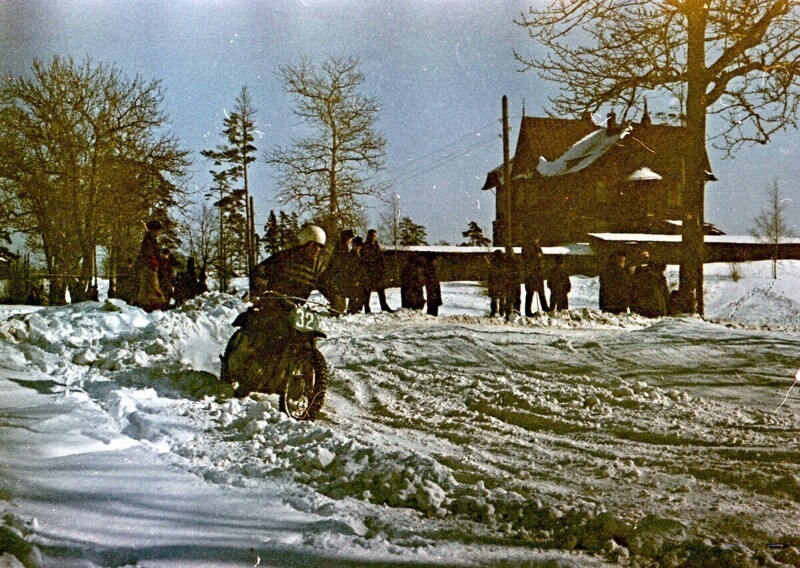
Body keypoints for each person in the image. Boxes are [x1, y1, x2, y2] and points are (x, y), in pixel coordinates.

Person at [246, 225, 328, 352]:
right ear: (305, 243)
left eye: (320, 247)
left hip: (296, 310)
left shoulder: (317, 267)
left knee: (309, 336)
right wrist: (261, 288)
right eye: (314, 245)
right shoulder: (285, 257)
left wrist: (338, 300)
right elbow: (259, 270)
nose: (317, 250)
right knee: (263, 335)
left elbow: (328, 284)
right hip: (274, 303)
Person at [320, 229, 354, 315]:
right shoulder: (342, 247)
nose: (350, 240)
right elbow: (338, 263)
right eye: (350, 238)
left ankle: (337, 309)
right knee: (337, 294)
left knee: (339, 296)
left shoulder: (342, 246)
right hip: (335, 275)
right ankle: (336, 310)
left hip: (337, 275)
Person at [361, 229, 395, 313]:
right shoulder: (365, 246)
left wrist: (382, 268)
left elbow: (380, 258)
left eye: (374, 236)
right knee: (367, 292)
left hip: (377, 271)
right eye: (372, 236)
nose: (373, 237)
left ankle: (384, 307)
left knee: (381, 290)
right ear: (368, 236)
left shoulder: (376, 245)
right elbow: (365, 259)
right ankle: (367, 309)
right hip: (369, 271)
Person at [136, 220, 166, 312]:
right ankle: (153, 307)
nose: (158, 234)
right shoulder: (149, 241)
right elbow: (149, 253)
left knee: (150, 289)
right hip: (149, 267)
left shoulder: (151, 240)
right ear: (153, 230)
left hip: (151, 266)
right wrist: (154, 262)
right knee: (152, 288)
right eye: (158, 232)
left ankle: (152, 306)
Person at [630, 251, 669, 318]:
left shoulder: (640, 275)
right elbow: (665, 292)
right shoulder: (660, 277)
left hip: (642, 304)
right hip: (656, 305)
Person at [522, 236, 549, 314]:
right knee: (530, 292)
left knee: (541, 291)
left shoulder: (538, 248)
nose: (537, 240)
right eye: (536, 238)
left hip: (538, 273)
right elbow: (527, 261)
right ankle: (528, 311)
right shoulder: (527, 248)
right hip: (531, 274)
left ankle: (545, 307)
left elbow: (541, 260)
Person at [347, 236, 368, 314]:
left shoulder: (360, 254)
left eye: (359, 245)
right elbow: (351, 268)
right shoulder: (352, 255)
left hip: (360, 278)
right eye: (357, 245)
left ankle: (357, 309)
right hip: (354, 278)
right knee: (354, 295)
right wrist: (355, 279)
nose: (358, 247)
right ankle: (351, 311)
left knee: (361, 295)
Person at [501, 245, 521, 318]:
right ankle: (516, 313)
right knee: (515, 299)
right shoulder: (515, 260)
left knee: (509, 299)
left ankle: (508, 314)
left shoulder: (504, 261)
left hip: (509, 282)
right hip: (514, 282)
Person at [487, 249, 505, 317]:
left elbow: (490, 274)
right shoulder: (502, 263)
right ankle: (501, 312)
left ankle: (494, 311)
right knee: (501, 298)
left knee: (495, 298)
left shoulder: (493, 263)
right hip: (500, 282)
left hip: (495, 282)